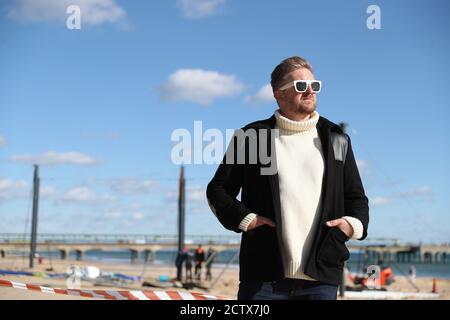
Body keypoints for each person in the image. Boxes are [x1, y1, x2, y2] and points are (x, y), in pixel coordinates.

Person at [206, 56, 369, 300]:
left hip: (321, 278)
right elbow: (218, 190)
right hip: (263, 277)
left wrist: (351, 226)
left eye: (314, 86)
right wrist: (246, 219)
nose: (309, 91)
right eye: (301, 86)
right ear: (278, 94)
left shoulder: (336, 138)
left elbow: (356, 197)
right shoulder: (253, 136)